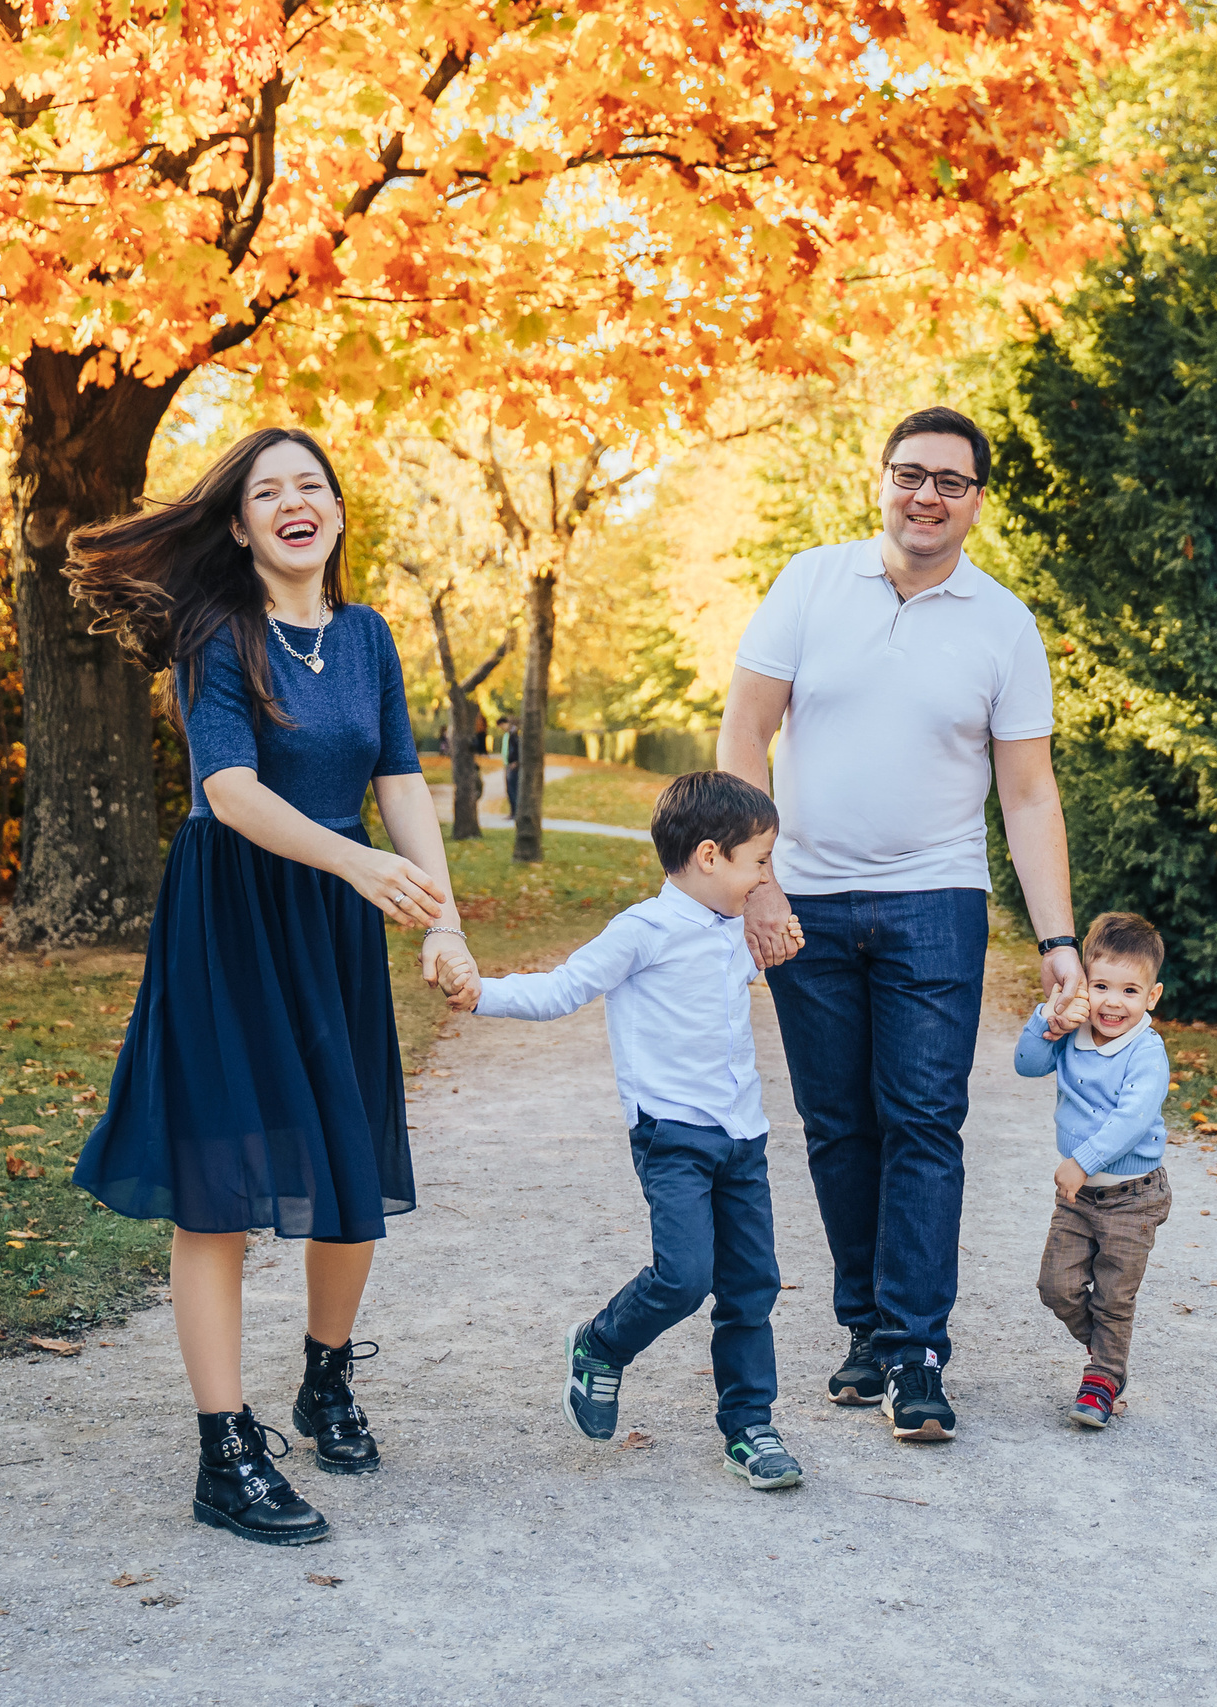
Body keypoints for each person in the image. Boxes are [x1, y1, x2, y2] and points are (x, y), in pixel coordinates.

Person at [66, 427, 483, 1547]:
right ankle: (223, 1450)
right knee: (220, 1183)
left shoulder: (368, 638)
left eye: (312, 485)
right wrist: (355, 865)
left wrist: (442, 924)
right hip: (233, 916)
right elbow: (233, 792)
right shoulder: (215, 635)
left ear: (336, 513)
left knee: (347, 1160)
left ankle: (326, 1380)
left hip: (332, 929)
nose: (294, 502)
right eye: (268, 491)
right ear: (241, 524)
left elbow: (399, 783)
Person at [717, 405, 1082, 1445]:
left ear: (975, 501)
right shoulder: (808, 583)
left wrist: (1055, 940)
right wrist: (760, 883)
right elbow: (745, 730)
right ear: (879, 479)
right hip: (807, 902)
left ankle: (918, 1348)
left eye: (950, 482)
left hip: (935, 902)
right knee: (837, 1125)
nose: (926, 496)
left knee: (923, 1120)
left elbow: (1026, 796)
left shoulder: (1002, 625)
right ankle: (867, 1329)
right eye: (909, 474)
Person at [466, 772, 810, 1489]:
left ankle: (750, 1425)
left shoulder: (734, 931)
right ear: (710, 856)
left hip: (742, 1136)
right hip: (674, 1137)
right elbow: (564, 986)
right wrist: (481, 993)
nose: (765, 877)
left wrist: (775, 942)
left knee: (752, 1284)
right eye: (759, 861)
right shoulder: (642, 931)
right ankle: (600, 1343)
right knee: (685, 1277)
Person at [1014, 912, 1173, 1430]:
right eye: (1101, 985)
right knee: (1055, 1286)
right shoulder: (1073, 1032)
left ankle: (1103, 1376)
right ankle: (1104, 1344)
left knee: (1114, 1294)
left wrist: (1081, 1162)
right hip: (1079, 1200)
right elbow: (1027, 1064)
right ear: (1084, 984)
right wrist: (1050, 1016)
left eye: (1130, 990)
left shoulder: (1147, 1052)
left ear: (1151, 997)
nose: (1112, 1002)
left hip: (1133, 1196)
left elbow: (1133, 1119)